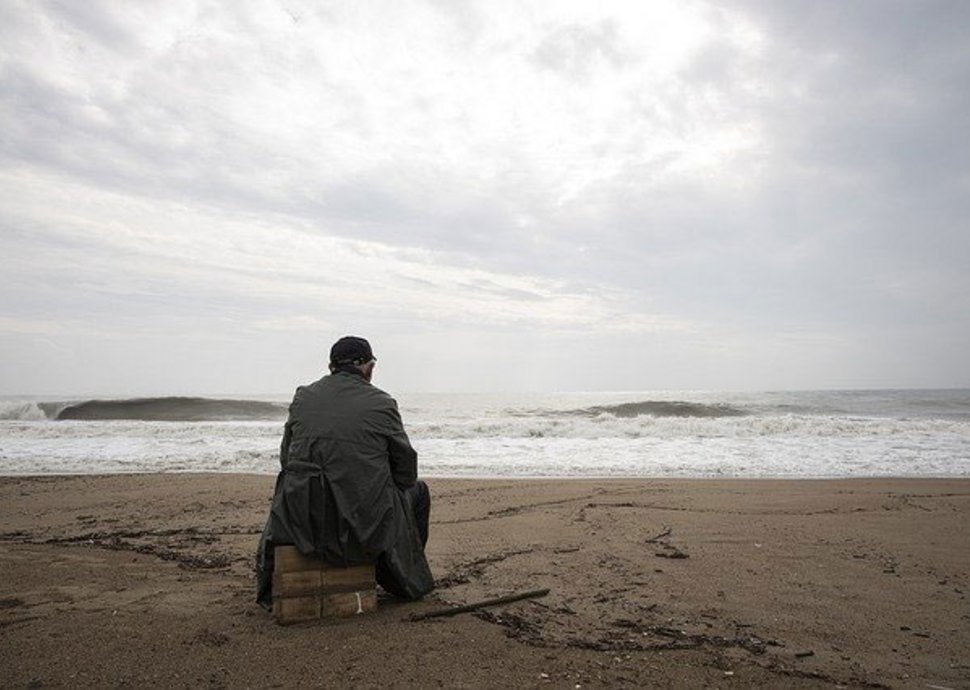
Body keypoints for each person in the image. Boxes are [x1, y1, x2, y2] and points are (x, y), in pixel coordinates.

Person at [256, 336, 434, 609]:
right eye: (372, 365)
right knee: (418, 492)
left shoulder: (303, 396)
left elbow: (286, 459)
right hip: (361, 524)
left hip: (302, 521)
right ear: (367, 367)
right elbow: (406, 470)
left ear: (331, 366)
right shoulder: (382, 403)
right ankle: (401, 580)